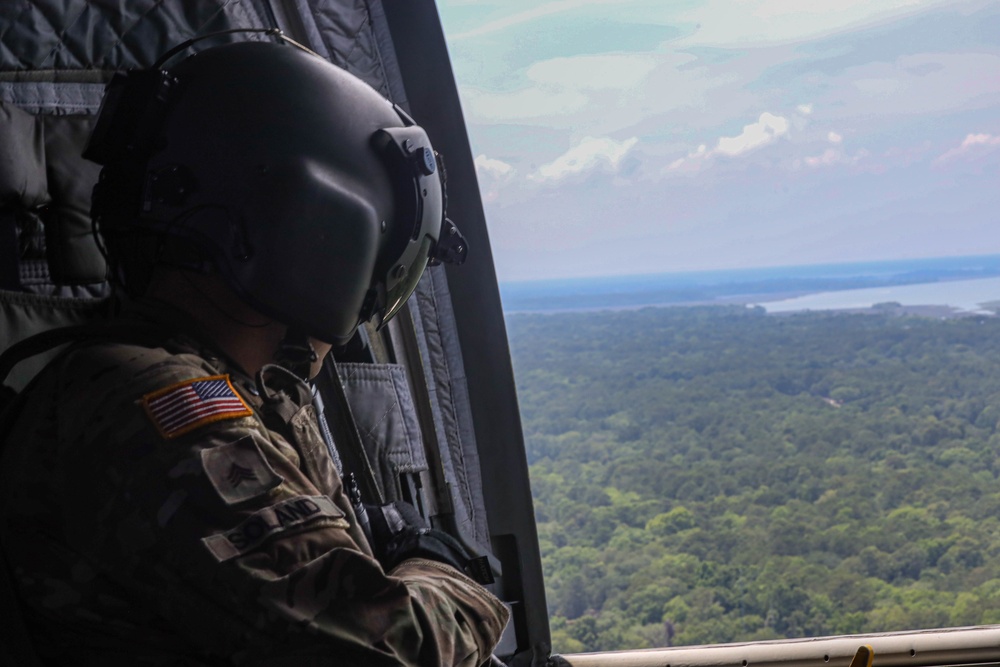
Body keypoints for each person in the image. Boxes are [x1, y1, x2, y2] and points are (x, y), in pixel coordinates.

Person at [0, 40, 508, 666]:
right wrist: (441, 570)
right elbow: (394, 651)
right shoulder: (159, 407)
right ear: (323, 235)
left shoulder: (233, 387)